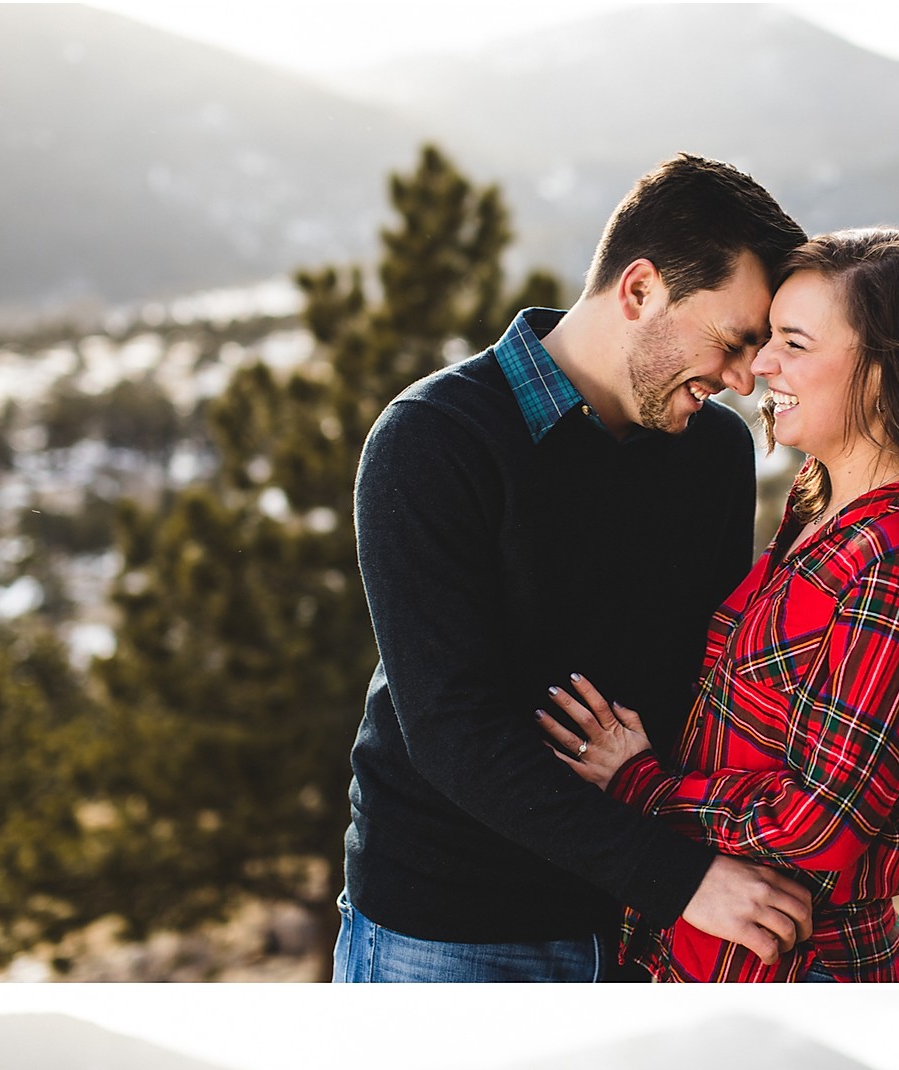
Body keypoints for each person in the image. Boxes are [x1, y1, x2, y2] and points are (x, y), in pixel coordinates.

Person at [335, 155, 815, 984]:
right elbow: (454, 735)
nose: (745, 379)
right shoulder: (434, 440)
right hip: (449, 933)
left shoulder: (715, 456)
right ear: (639, 291)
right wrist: (682, 879)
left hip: (639, 928)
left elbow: (701, 687)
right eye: (733, 341)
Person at [538, 229, 899, 981]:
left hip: (799, 965)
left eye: (794, 343)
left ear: (886, 373)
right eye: (768, 336)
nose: (760, 365)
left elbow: (818, 826)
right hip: (711, 949)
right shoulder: (821, 509)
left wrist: (640, 783)